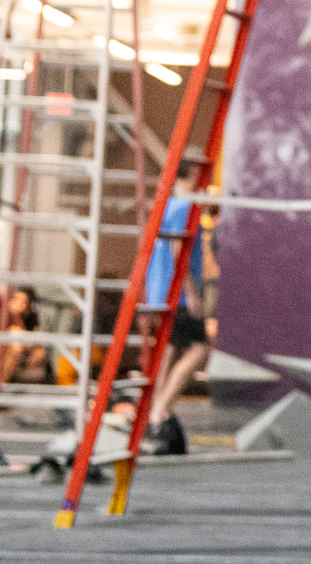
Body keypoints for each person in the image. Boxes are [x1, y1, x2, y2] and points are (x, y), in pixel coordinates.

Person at [136, 161, 212, 455]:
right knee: (199, 349)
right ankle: (160, 410)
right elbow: (177, 246)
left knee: (170, 350)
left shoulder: (165, 205)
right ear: (189, 176)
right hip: (177, 294)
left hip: (161, 291)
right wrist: (191, 293)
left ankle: (154, 411)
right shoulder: (182, 207)